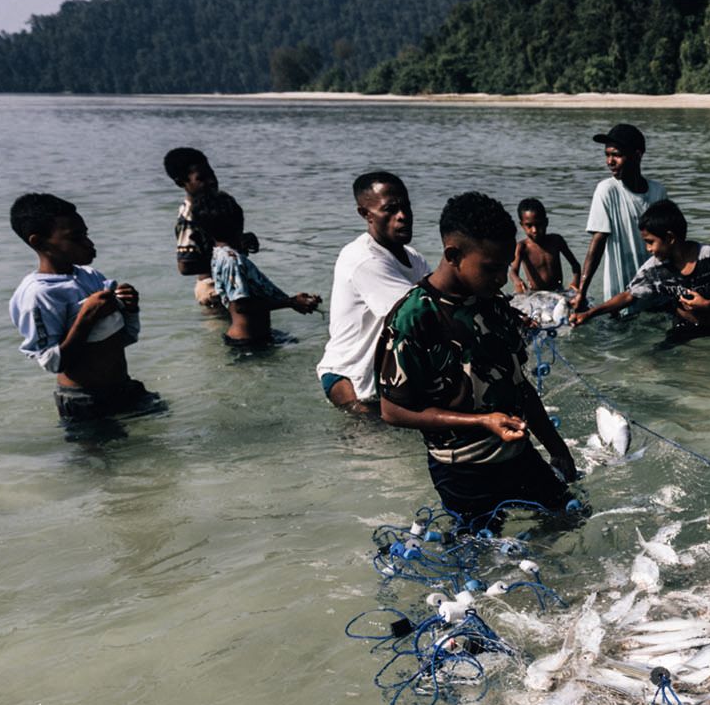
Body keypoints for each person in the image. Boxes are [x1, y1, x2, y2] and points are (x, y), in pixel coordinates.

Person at [375, 192, 580, 532]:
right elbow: (392, 411)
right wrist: (481, 422)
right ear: (453, 255)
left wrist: (556, 448)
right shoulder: (414, 317)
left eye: (505, 266)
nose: (501, 278)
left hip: (518, 455)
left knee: (571, 518)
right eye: (491, 267)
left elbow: (519, 384)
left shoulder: (493, 303)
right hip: (462, 469)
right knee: (484, 556)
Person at [5, 194, 165, 431]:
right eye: (76, 238)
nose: (88, 244)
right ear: (40, 242)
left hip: (123, 386)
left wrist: (130, 309)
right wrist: (86, 318)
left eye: (86, 234)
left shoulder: (90, 276)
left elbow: (123, 339)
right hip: (83, 399)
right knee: (99, 465)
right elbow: (52, 362)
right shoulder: (38, 294)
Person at [318, 170, 430, 415]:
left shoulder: (413, 258)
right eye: (390, 209)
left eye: (406, 207)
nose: (402, 216)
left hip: (384, 381)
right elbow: (423, 312)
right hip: (353, 380)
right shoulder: (364, 259)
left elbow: (439, 299)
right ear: (365, 214)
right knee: (372, 449)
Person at [569, 199, 710, 344]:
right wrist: (590, 314)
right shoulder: (655, 268)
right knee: (654, 361)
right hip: (685, 326)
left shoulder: (709, 256)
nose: (648, 249)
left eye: (650, 241)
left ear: (670, 238)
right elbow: (628, 296)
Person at [189, 191, 320, 351]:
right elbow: (242, 306)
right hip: (249, 341)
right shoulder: (231, 260)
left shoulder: (220, 253)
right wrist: (290, 302)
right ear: (239, 223)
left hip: (253, 337)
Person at [570, 124, 665, 317]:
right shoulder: (607, 190)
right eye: (607, 155)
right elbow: (598, 240)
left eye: (617, 155)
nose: (609, 161)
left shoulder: (658, 192)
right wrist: (582, 291)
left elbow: (670, 242)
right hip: (619, 294)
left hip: (656, 289)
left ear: (638, 155)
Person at [164, 148, 225, 313]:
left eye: (211, 174)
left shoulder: (210, 207)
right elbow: (185, 266)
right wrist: (227, 255)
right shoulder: (190, 216)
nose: (211, 181)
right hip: (212, 287)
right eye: (201, 178)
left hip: (221, 282)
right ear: (180, 182)